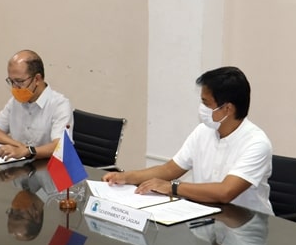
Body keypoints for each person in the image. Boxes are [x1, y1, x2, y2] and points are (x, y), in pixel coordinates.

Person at [103, 66, 273, 214]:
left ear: (227, 108)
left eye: (206, 103)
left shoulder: (256, 143)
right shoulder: (203, 131)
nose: (202, 109)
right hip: (207, 216)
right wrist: (126, 177)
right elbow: (169, 170)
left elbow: (225, 192)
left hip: (247, 228)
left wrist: (172, 187)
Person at [0, 50, 73, 161]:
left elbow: (61, 147)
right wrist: (19, 147)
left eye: (19, 81)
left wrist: (28, 151)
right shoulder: (15, 101)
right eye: (11, 81)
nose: (15, 87)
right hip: (20, 168)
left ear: (37, 79)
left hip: (47, 171)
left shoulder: (60, 105)